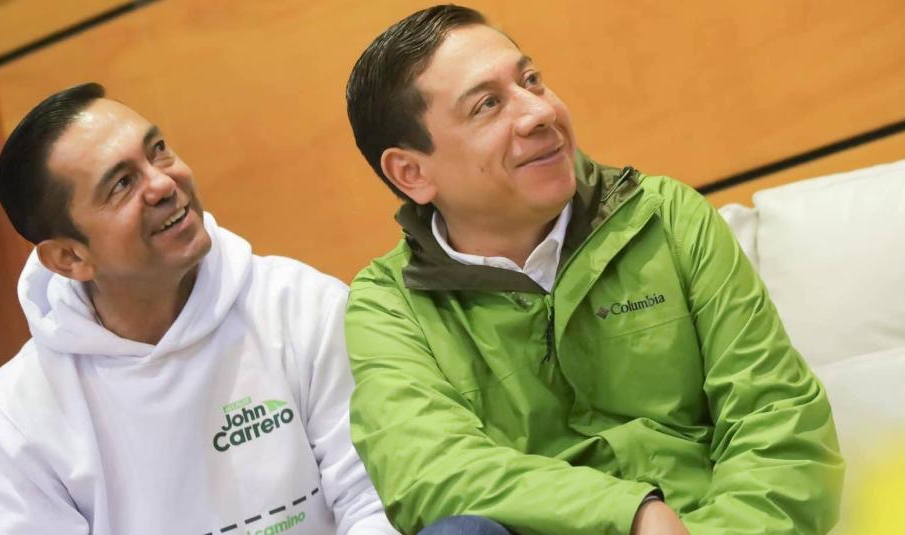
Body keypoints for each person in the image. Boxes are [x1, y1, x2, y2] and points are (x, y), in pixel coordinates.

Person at [342, 5, 844, 535]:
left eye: (531, 81)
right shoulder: (390, 304)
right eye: (488, 104)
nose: (539, 112)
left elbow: (779, 425)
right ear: (412, 173)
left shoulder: (667, 217)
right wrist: (629, 515)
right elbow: (431, 472)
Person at [0, 83, 396, 535]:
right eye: (121, 184)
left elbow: (371, 499)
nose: (163, 184)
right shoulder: (19, 409)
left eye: (157, 150)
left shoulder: (300, 306)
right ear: (69, 258)